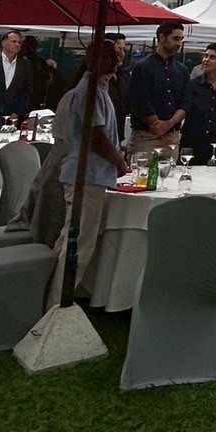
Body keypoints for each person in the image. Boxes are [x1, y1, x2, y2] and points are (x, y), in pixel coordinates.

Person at [50, 39, 130, 301]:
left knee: (69, 240)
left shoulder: (100, 89)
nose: (116, 61)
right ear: (93, 58)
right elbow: (96, 137)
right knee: (79, 246)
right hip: (86, 175)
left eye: (118, 56)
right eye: (110, 56)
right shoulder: (89, 91)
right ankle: (58, 303)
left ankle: (51, 296)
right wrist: (119, 161)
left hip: (90, 175)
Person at [126, 21, 188, 158]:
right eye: (175, 38)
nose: (179, 43)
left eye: (181, 39)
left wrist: (169, 124)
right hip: (147, 137)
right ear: (162, 37)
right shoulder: (143, 67)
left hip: (173, 136)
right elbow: (140, 101)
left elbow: (185, 102)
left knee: (170, 171)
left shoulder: (182, 70)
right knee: (143, 171)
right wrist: (159, 127)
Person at [181, 44, 216, 164]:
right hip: (194, 140)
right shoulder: (193, 84)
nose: (206, 60)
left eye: (212, 57)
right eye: (205, 56)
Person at [0, 29, 35, 128]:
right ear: (3, 43)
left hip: (12, 114)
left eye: (19, 42)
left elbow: (27, 91)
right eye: (14, 41)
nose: (17, 44)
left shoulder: (25, 65)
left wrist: (19, 112)